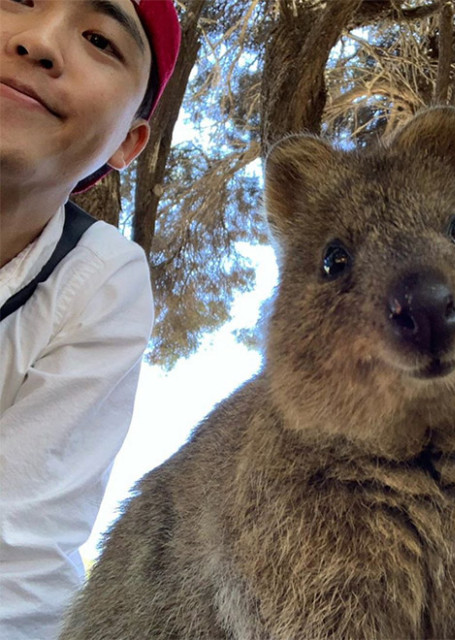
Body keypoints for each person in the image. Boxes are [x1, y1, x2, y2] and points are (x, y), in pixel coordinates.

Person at [0, 1, 181, 638]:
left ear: (130, 140)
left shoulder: (99, 278)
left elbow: (17, 555)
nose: (40, 41)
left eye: (101, 41)